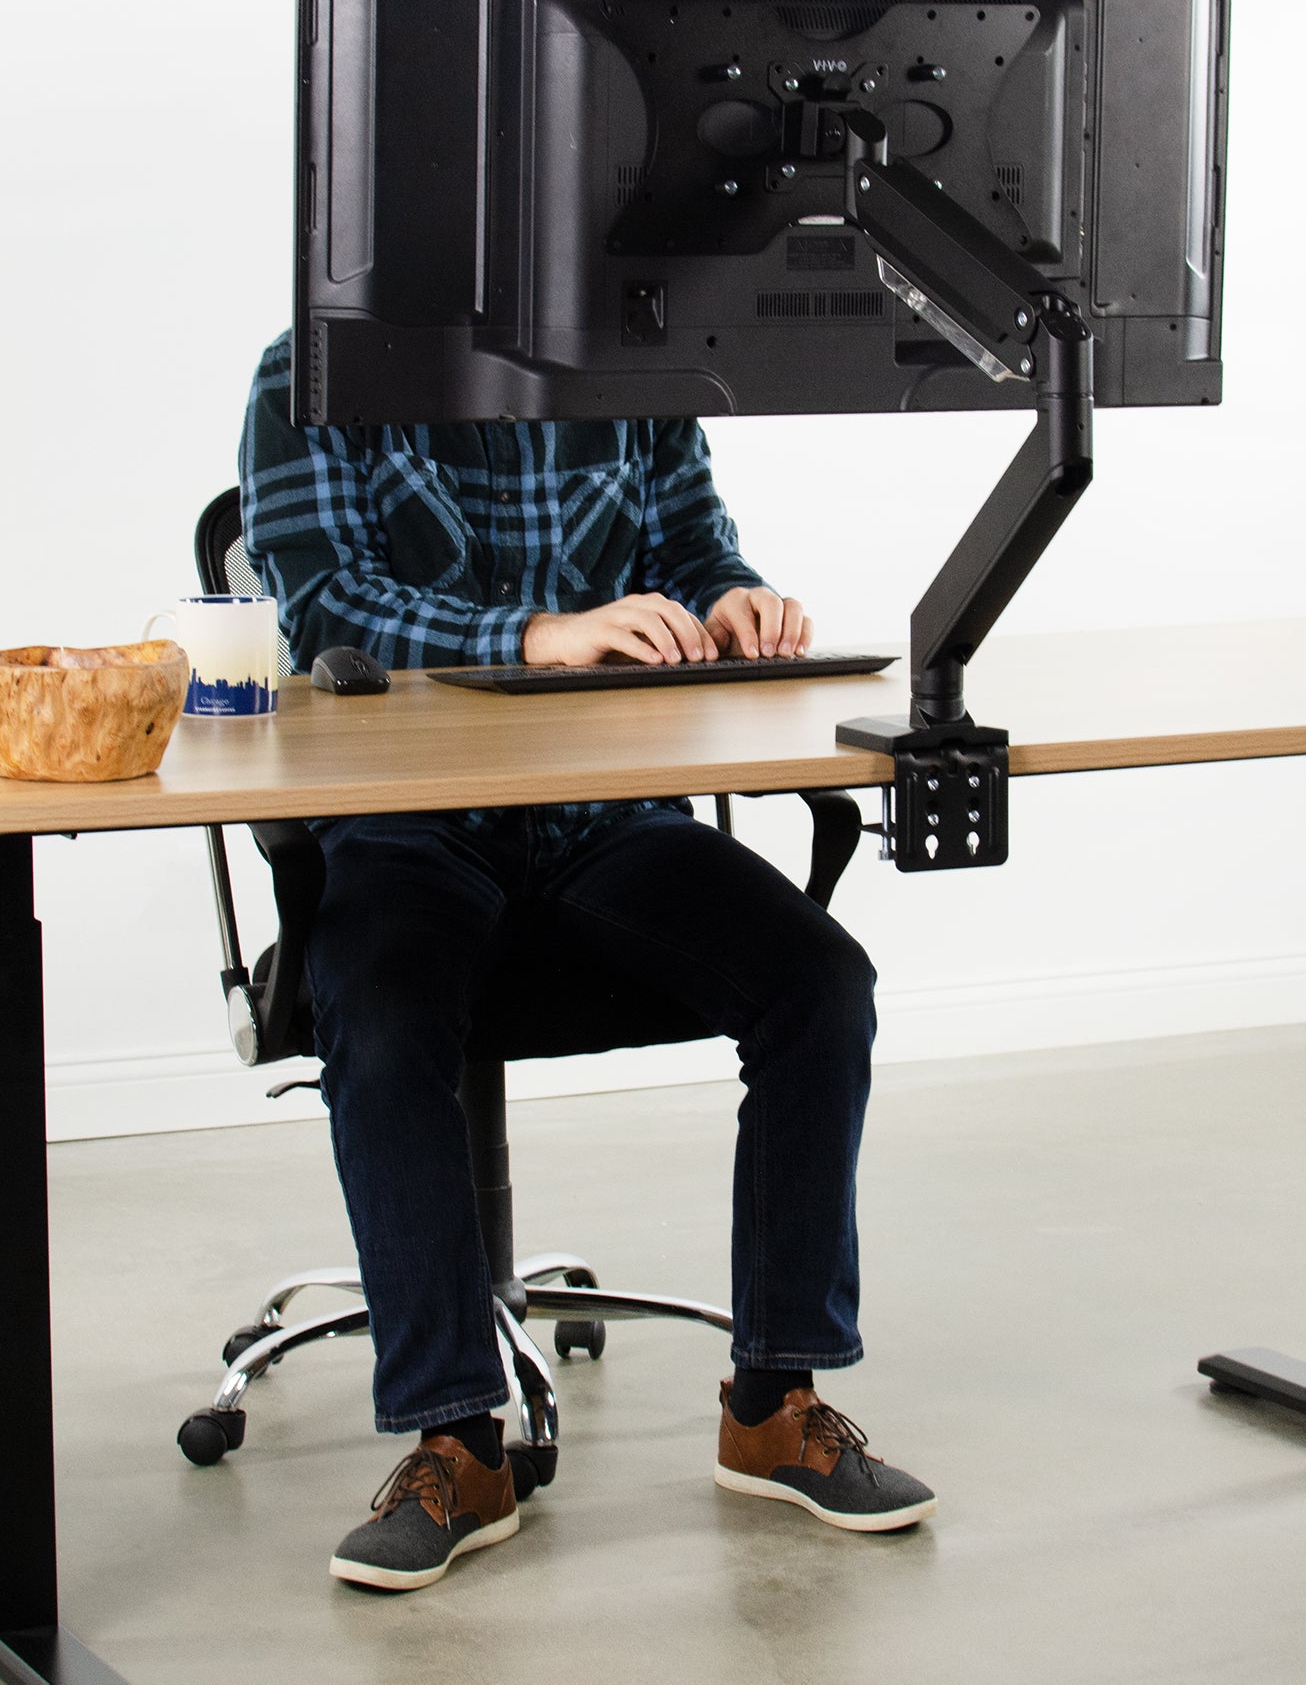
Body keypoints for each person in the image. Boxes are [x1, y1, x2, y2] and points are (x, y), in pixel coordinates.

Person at [239, 329, 934, 1591]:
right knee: (389, 1023)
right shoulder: (321, 370)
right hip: (409, 824)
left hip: (603, 820)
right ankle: (457, 1444)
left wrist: (732, 595)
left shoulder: (633, 358)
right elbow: (326, 607)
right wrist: (538, 635)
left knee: (820, 984)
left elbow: (689, 545)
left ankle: (773, 1404)